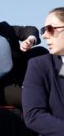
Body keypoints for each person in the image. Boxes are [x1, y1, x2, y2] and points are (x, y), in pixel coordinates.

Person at [0, 6, 48, 108]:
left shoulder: (4, 28)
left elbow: (29, 30)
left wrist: (30, 40)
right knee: (31, 99)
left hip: (16, 73)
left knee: (40, 52)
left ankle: (57, 79)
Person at [22, 7, 64, 136]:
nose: (44, 35)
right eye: (43, 30)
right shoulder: (39, 66)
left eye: (50, 29)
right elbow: (33, 115)